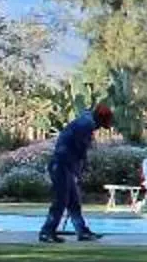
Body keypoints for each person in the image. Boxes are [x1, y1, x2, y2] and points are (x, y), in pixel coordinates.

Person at [38, 103, 111, 244]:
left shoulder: (85, 121)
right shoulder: (86, 125)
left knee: (73, 202)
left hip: (64, 165)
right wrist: (79, 171)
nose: (99, 128)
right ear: (99, 118)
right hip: (61, 165)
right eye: (102, 124)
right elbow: (79, 151)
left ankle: (82, 231)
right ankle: (46, 232)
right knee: (61, 201)